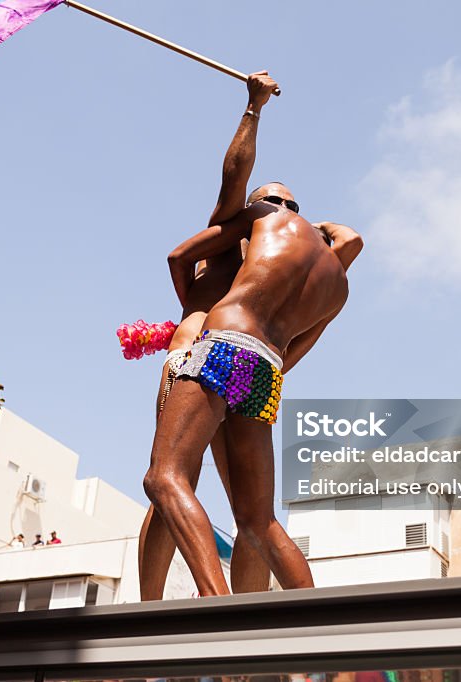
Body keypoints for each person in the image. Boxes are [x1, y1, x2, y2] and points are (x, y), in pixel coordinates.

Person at [144, 182, 364, 596]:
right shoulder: (337, 286)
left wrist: (193, 308)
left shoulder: (265, 220)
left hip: (226, 345)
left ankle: (217, 602)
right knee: (258, 521)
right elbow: (296, 350)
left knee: (164, 478)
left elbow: (180, 253)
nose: (279, 208)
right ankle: (320, 629)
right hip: (265, 369)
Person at [139, 71, 279, 600]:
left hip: (244, 365)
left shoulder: (277, 269)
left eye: (291, 207)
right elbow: (234, 179)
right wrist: (254, 106)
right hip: (200, 352)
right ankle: (151, 611)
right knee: (174, 482)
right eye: (270, 202)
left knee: (254, 513)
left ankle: (246, 625)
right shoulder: (231, 235)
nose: (281, 212)